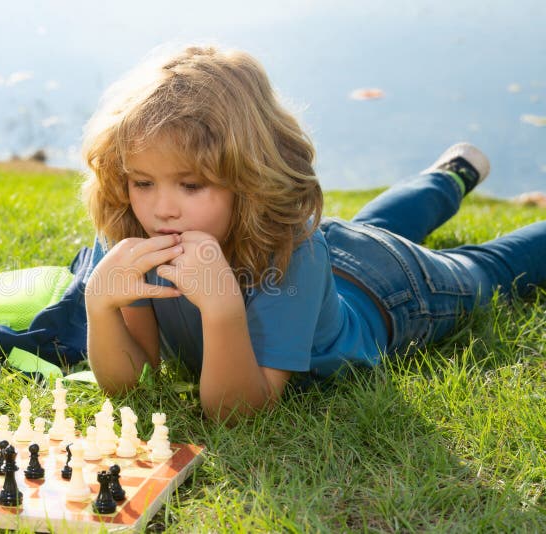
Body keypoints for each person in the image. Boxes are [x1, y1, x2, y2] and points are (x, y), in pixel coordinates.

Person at [80, 45, 546, 421]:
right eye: (143, 182)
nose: (162, 209)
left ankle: (449, 180)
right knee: (372, 228)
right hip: (335, 256)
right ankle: (451, 174)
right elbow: (137, 382)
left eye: (192, 185)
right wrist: (100, 307)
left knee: (484, 271)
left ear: (250, 178)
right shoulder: (134, 233)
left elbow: (238, 411)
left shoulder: (292, 252)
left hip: (388, 290)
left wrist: (221, 308)